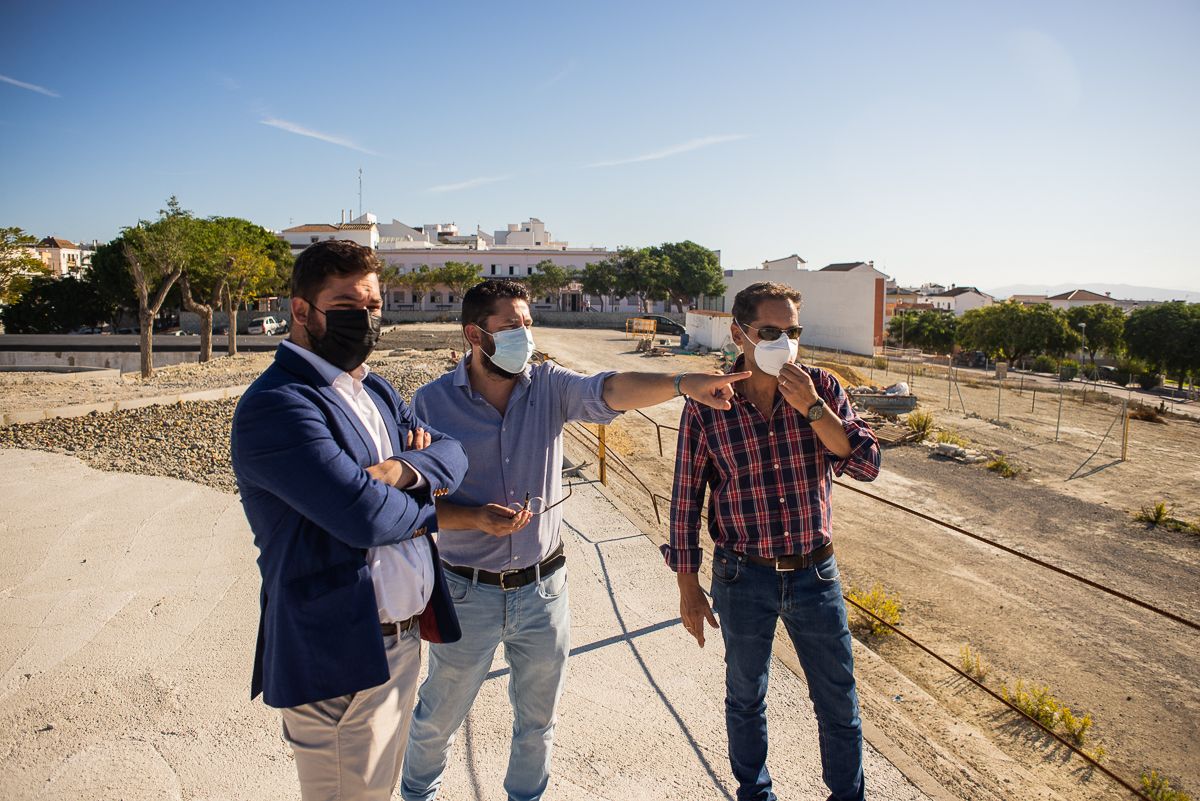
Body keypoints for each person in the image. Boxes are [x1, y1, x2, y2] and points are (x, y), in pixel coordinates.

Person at [401, 279, 751, 801]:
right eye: (511, 326)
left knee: (538, 723)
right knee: (438, 715)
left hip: (543, 592)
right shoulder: (429, 403)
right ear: (476, 334)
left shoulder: (547, 385)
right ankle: (417, 793)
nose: (526, 333)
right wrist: (475, 519)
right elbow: (413, 502)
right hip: (465, 592)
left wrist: (681, 382)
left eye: (528, 322)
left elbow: (609, 388)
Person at [230, 239, 468, 801]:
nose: (363, 320)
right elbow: (363, 517)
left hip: (400, 644)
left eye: (373, 306)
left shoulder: (375, 389)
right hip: (342, 656)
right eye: (345, 306)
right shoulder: (279, 404)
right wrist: (430, 507)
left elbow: (455, 455)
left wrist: (400, 470)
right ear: (300, 311)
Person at [665, 281, 881, 801]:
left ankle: (847, 795)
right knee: (745, 697)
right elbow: (685, 499)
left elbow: (865, 463)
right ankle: (754, 793)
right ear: (739, 333)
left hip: (815, 574)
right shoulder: (708, 403)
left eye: (793, 331)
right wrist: (688, 588)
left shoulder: (822, 387)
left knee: (837, 699)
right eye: (771, 331)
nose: (784, 341)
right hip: (743, 575)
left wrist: (811, 408)